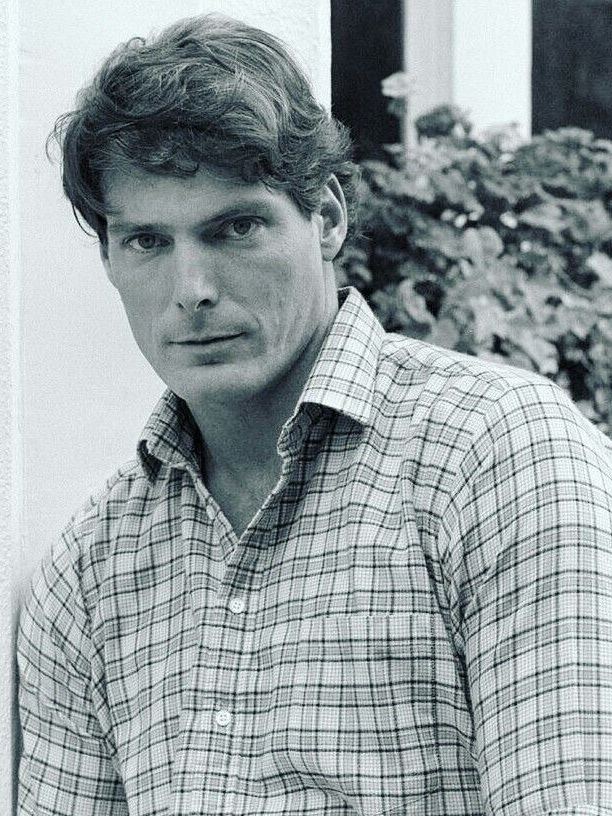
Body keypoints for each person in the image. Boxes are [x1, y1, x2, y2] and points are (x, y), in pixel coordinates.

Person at [17, 13, 612, 816]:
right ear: (110, 257)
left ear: (327, 217)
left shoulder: (498, 457)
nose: (192, 289)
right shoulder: (90, 573)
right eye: (148, 242)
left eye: (236, 227)